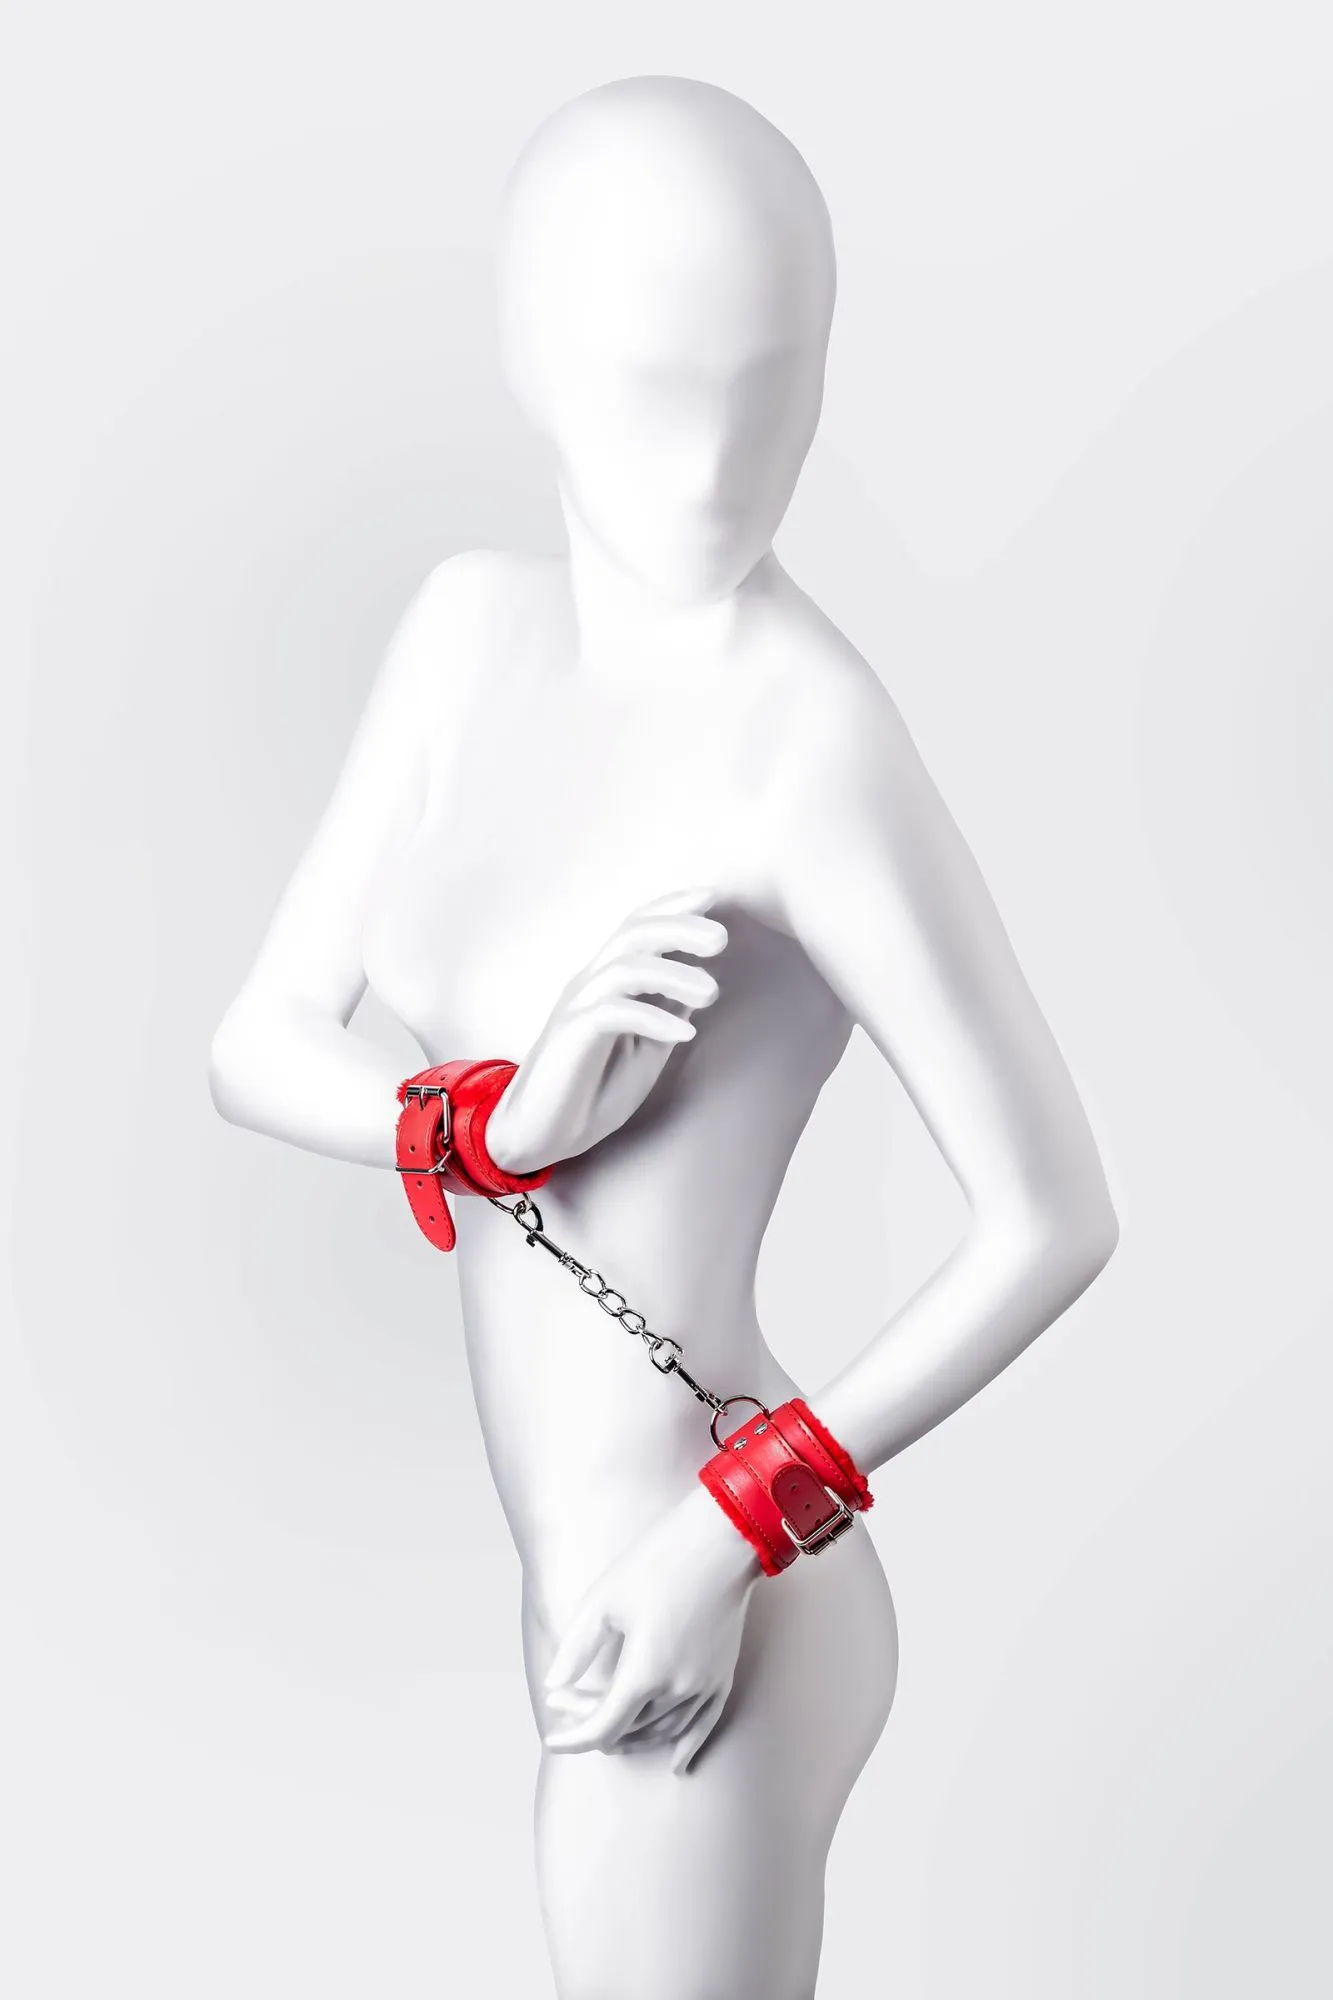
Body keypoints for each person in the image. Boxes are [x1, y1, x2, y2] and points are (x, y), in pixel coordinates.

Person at [209, 74, 1119, 2000]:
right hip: (615, 1552)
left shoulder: (807, 738)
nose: (714, 471)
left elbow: (1054, 1217)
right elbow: (259, 1044)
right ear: (529, 353)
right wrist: (489, 1126)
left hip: (703, 1584)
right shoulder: (465, 634)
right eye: (653, 392)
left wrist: (723, 1539)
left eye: (771, 392)